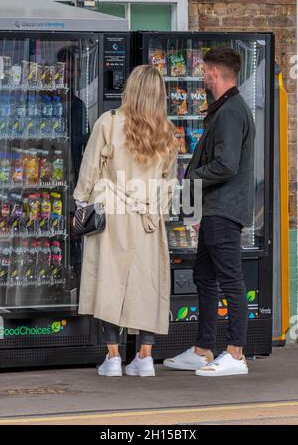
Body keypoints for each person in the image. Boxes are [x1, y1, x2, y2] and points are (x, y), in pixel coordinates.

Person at [73, 65, 178, 377]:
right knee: (146, 284)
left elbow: (90, 167)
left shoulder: (110, 122)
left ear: (130, 89)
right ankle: (145, 358)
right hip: (147, 216)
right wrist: (157, 213)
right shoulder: (168, 131)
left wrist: (81, 203)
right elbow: (168, 183)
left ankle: (114, 358)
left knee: (109, 281)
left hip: (112, 214)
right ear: (160, 95)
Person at [163, 47, 256, 377]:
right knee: (204, 276)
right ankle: (203, 349)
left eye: (204, 71)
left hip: (224, 210)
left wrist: (188, 178)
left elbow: (227, 165)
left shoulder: (231, 112)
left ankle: (236, 353)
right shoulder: (226, 109)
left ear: (215, 73)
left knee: (230, 280)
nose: (202, 77)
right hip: (215, 208)